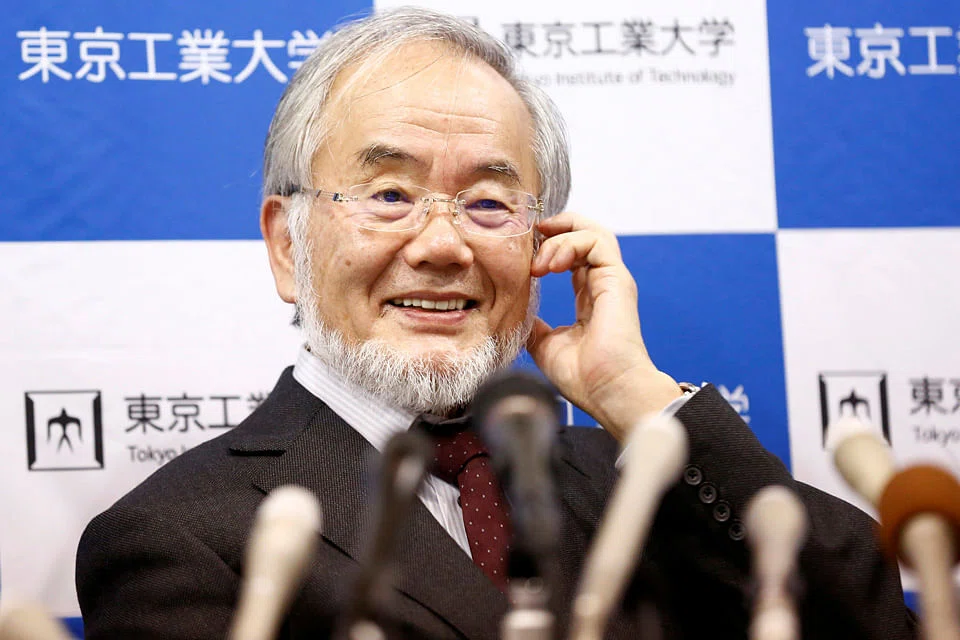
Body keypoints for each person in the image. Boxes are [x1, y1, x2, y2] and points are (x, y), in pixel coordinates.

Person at [76, 7, 916, 639]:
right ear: (288, 245)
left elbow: (873, 622)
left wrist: (634, 397)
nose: (443, 245)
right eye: (390, 195)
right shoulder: (180, 536)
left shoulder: (634, 479)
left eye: (488, 203)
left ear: (542, 241)